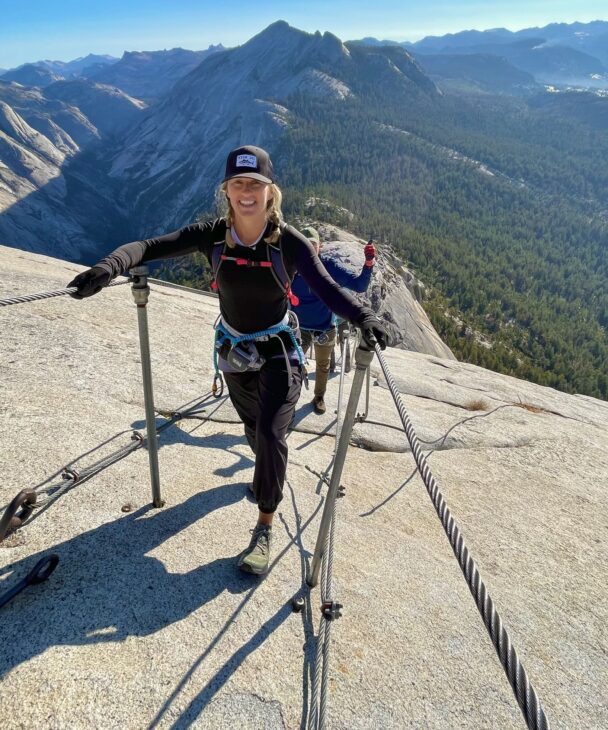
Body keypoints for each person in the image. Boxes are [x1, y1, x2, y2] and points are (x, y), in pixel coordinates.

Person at [68, 145, 387, 576]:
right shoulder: (214, 235)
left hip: (279, 351)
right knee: (254, 429)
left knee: (271, 432)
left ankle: (265, 524)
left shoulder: (288, 243)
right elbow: (147, 247)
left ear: (270, 191)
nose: (246, 192)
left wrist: (364, 317)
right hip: (234, 353)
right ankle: (265, 472)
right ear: (226, 190)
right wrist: (108, 268)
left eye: (255, 183)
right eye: (238, 183)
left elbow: (328, 289)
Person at [293, 226, 376, 414]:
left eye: (312, 244)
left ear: (319, 246)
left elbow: (359, 285)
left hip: (325, 327)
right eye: (305, 244)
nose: (309, 248)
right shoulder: (292, 265)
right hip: (298, 327)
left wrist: (369, 263)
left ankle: (319, 397)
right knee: (293, 364)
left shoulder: (329, 266)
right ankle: (290, 400)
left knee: (323, 366)